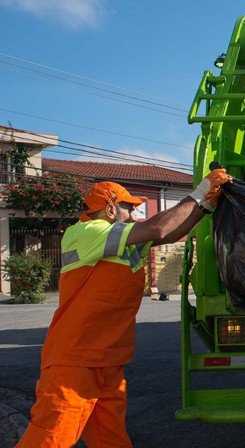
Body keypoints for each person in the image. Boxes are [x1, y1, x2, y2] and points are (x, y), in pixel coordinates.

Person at [16, 168, 232, 448]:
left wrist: (204, 205)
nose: (135, 215)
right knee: (51, 438)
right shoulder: (86, 232)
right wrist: (200, 192)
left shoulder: (120, 244)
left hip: (107, 360)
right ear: (109, 209)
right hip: (75, 361)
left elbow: (167, 233)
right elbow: (157, 228)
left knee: (110, 439)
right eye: (129, 209)